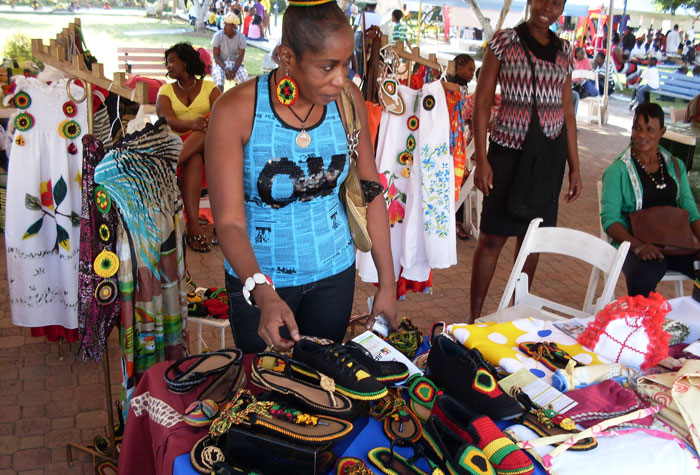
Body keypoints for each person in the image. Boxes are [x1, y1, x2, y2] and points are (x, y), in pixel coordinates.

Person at [205, 0, 398, 352]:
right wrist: (263, 294)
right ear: (287, 57)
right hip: (259, 283)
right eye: (327, 67)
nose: (341, 79)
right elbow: (229, 223)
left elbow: (371, 191)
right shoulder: (235, 112)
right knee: (265, 390)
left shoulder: (347, 101)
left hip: (334, 275)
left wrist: (388, 284)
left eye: (345, 65)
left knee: (322, 386)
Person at [469, 0, 581, 322]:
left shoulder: (565, 51)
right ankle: (473, 318)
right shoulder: (504, 42)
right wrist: (483, 158)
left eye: (556, 2)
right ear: (531, 1)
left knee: (531, 242)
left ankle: (516, 318)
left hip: (547, 161)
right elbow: (482, 102)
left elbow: (568, 113)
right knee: (491, 238)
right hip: (506, 156)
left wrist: (574, 167)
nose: (548, 7)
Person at [601, 103, 700, 297]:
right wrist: (637, 245)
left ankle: (693, 321)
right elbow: (610, 220)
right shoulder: (617, 171)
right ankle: (644, 325)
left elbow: (691, 210)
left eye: (649, 129)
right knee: (642, 278)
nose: (642, 135)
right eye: (637, 128)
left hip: (678, 242)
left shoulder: (675, 166)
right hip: (636, 243)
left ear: (662, 132)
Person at [157, 43, 222, 253]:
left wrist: (199, 124)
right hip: (180, 144)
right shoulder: (165, 90)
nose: (168, 65)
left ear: (185, 61)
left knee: (210, 121)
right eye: (167, 62)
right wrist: (191, 124)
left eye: (171, 60)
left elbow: (221, 114)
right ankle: (193, 226)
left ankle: (170, 165)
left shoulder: (210, 87)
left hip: (209, 144)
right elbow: (166, 119)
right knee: (193, 159)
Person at [211, 13, 248, 92]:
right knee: (219, 79)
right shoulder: (218, 36)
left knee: (245, 81)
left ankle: (243, 101)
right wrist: (225, 68)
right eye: (225, 24)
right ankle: (219, 101)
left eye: (227, 25)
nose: (225, 27)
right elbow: (215, 56)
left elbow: (241, 56)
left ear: (234, 26)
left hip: (235, 64)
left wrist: (234, 70)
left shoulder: (241, 37)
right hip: (221, 63)